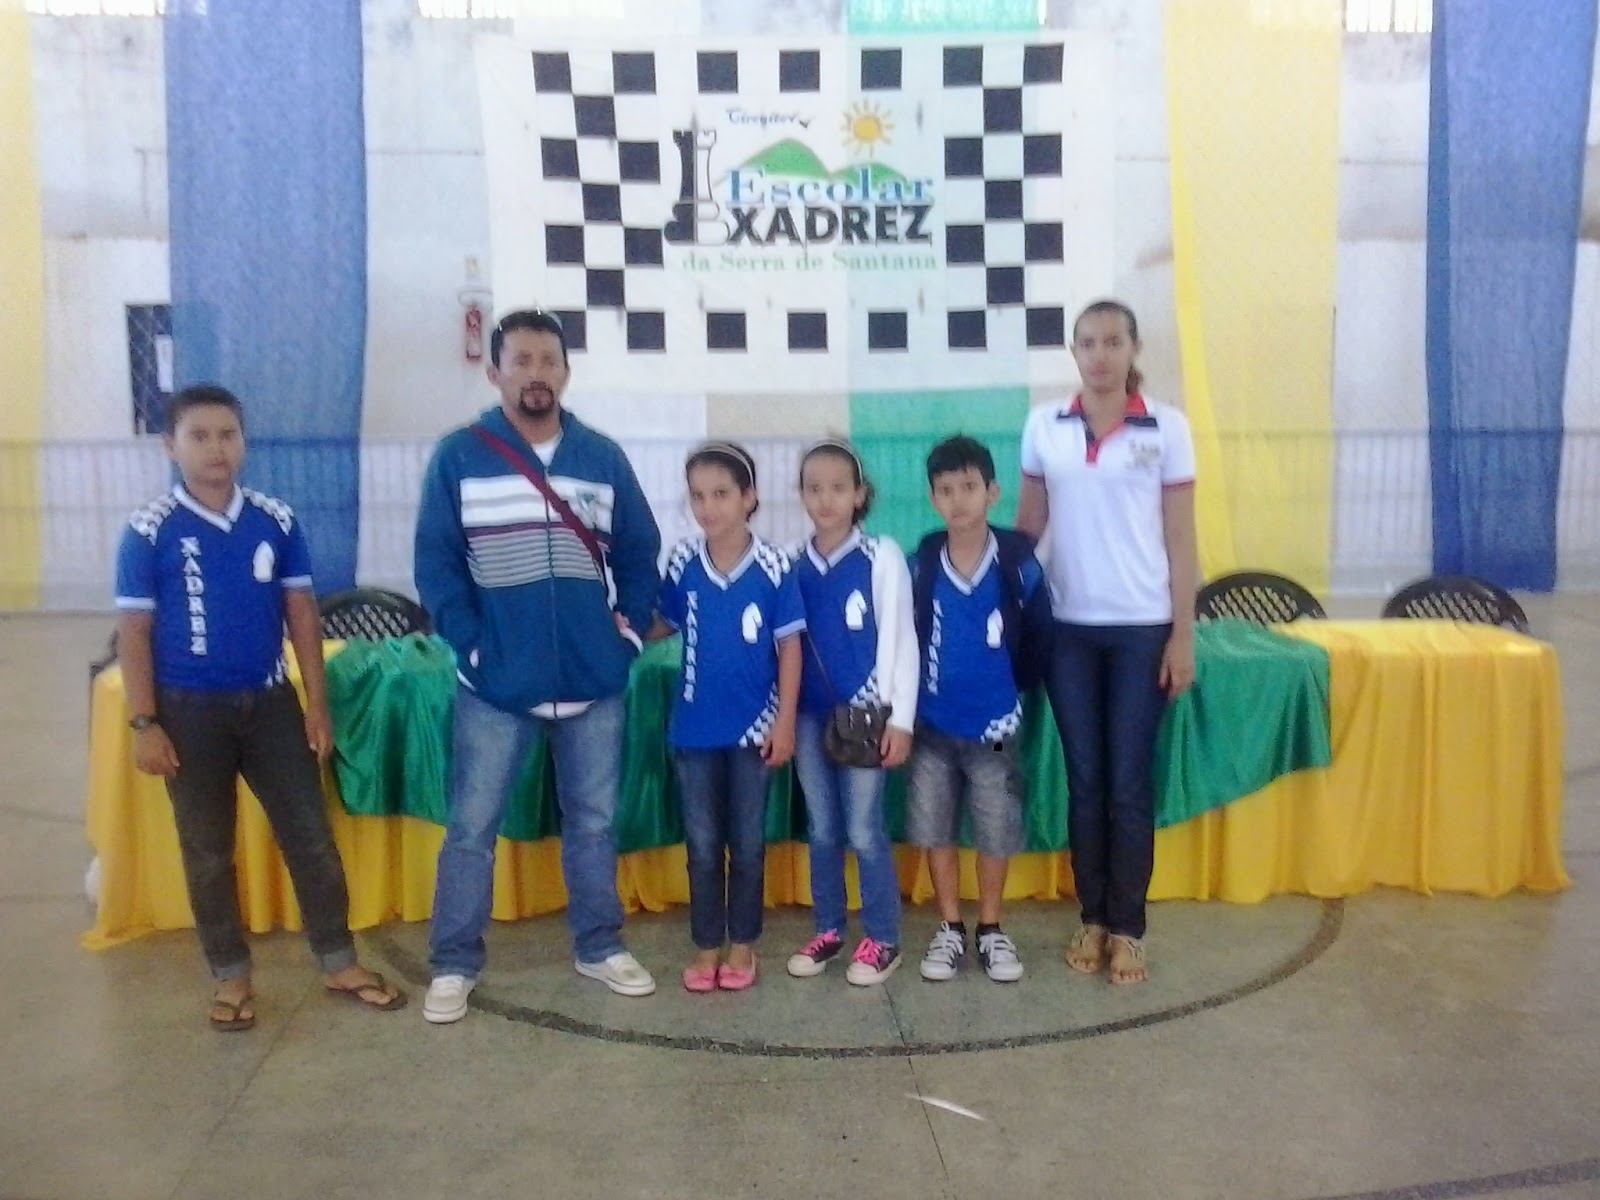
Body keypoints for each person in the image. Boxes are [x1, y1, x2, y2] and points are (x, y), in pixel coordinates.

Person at [114, 384, 407, 1032]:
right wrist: (145, 722)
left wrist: (316, 706)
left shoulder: (275, 519)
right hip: (188, 713)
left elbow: (301, 613)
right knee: (208, 851)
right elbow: (134, 632)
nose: (215, 448)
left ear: (244, 442)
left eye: (228, 434)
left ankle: (338, 962)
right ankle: (231, 976)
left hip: (272, 705)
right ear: (170, 447)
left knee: (310, 838)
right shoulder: (148, 531)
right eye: (199, 436)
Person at [414, 309, 662, 1024]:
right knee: (471, 828)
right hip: (494, 686)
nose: (535, 373)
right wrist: (474, 645)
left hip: (592, 681)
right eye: (520, 360)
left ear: (565, 372)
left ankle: (599, 945)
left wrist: (625, 636)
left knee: (593, 823)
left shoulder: (602, 457)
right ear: (495, 372)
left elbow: (639, 553)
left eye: (548, 360)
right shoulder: (459, 456)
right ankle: (454, 962)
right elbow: (436, 564)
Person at [1016, 299, 1198, 986]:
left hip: (1142, 631)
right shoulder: (1044, 427)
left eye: (1112, 341)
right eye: (1087, 342)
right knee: (1085, 781)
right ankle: (1092, 918)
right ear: (1074, 352)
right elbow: (1027, 531)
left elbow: (1181, 537)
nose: (1099, 354)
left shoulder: (1167, 428)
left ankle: (1129, 930)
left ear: (1133, 348)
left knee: (1127, 783)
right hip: (1066, 631)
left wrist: (1183, 635)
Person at [656, 442, 803, 992]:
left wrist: (784, 722)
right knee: (700, 846)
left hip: (753, 732)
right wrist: (611, 628)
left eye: (720, 494)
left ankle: (742, 945)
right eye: (698, 496)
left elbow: (790, 649)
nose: (708, 507)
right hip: (694, 732)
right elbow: (663, 623)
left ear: (749, 498)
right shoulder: (682, 562)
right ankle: (705, 947)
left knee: (746, 844)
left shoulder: (775, 567)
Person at [907, 436, 1054, 983]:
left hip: (994, 729)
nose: (958, 499)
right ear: (932, 499)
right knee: (935, 826)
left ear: (992, 492)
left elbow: (1041, 631)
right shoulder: (922, 562)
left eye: (968, 487)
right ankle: (949, 926)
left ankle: (991, 927)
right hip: (932, 727)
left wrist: (1012, 689)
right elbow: (904, 633)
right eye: (945, 490)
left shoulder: (1016, 561)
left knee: (996, 824)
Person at [785, 439, 918, 986]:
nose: (826, 499)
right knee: (822, 830)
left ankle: (883, 938)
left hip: (865, 718)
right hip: (808, 719)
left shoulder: (881, 556)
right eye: (814, 488)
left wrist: (900, 718)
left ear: (860, 494)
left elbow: (902, 639)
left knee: (863, 830)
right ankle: (829, 929)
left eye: (838, 488)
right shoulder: (791, 563)